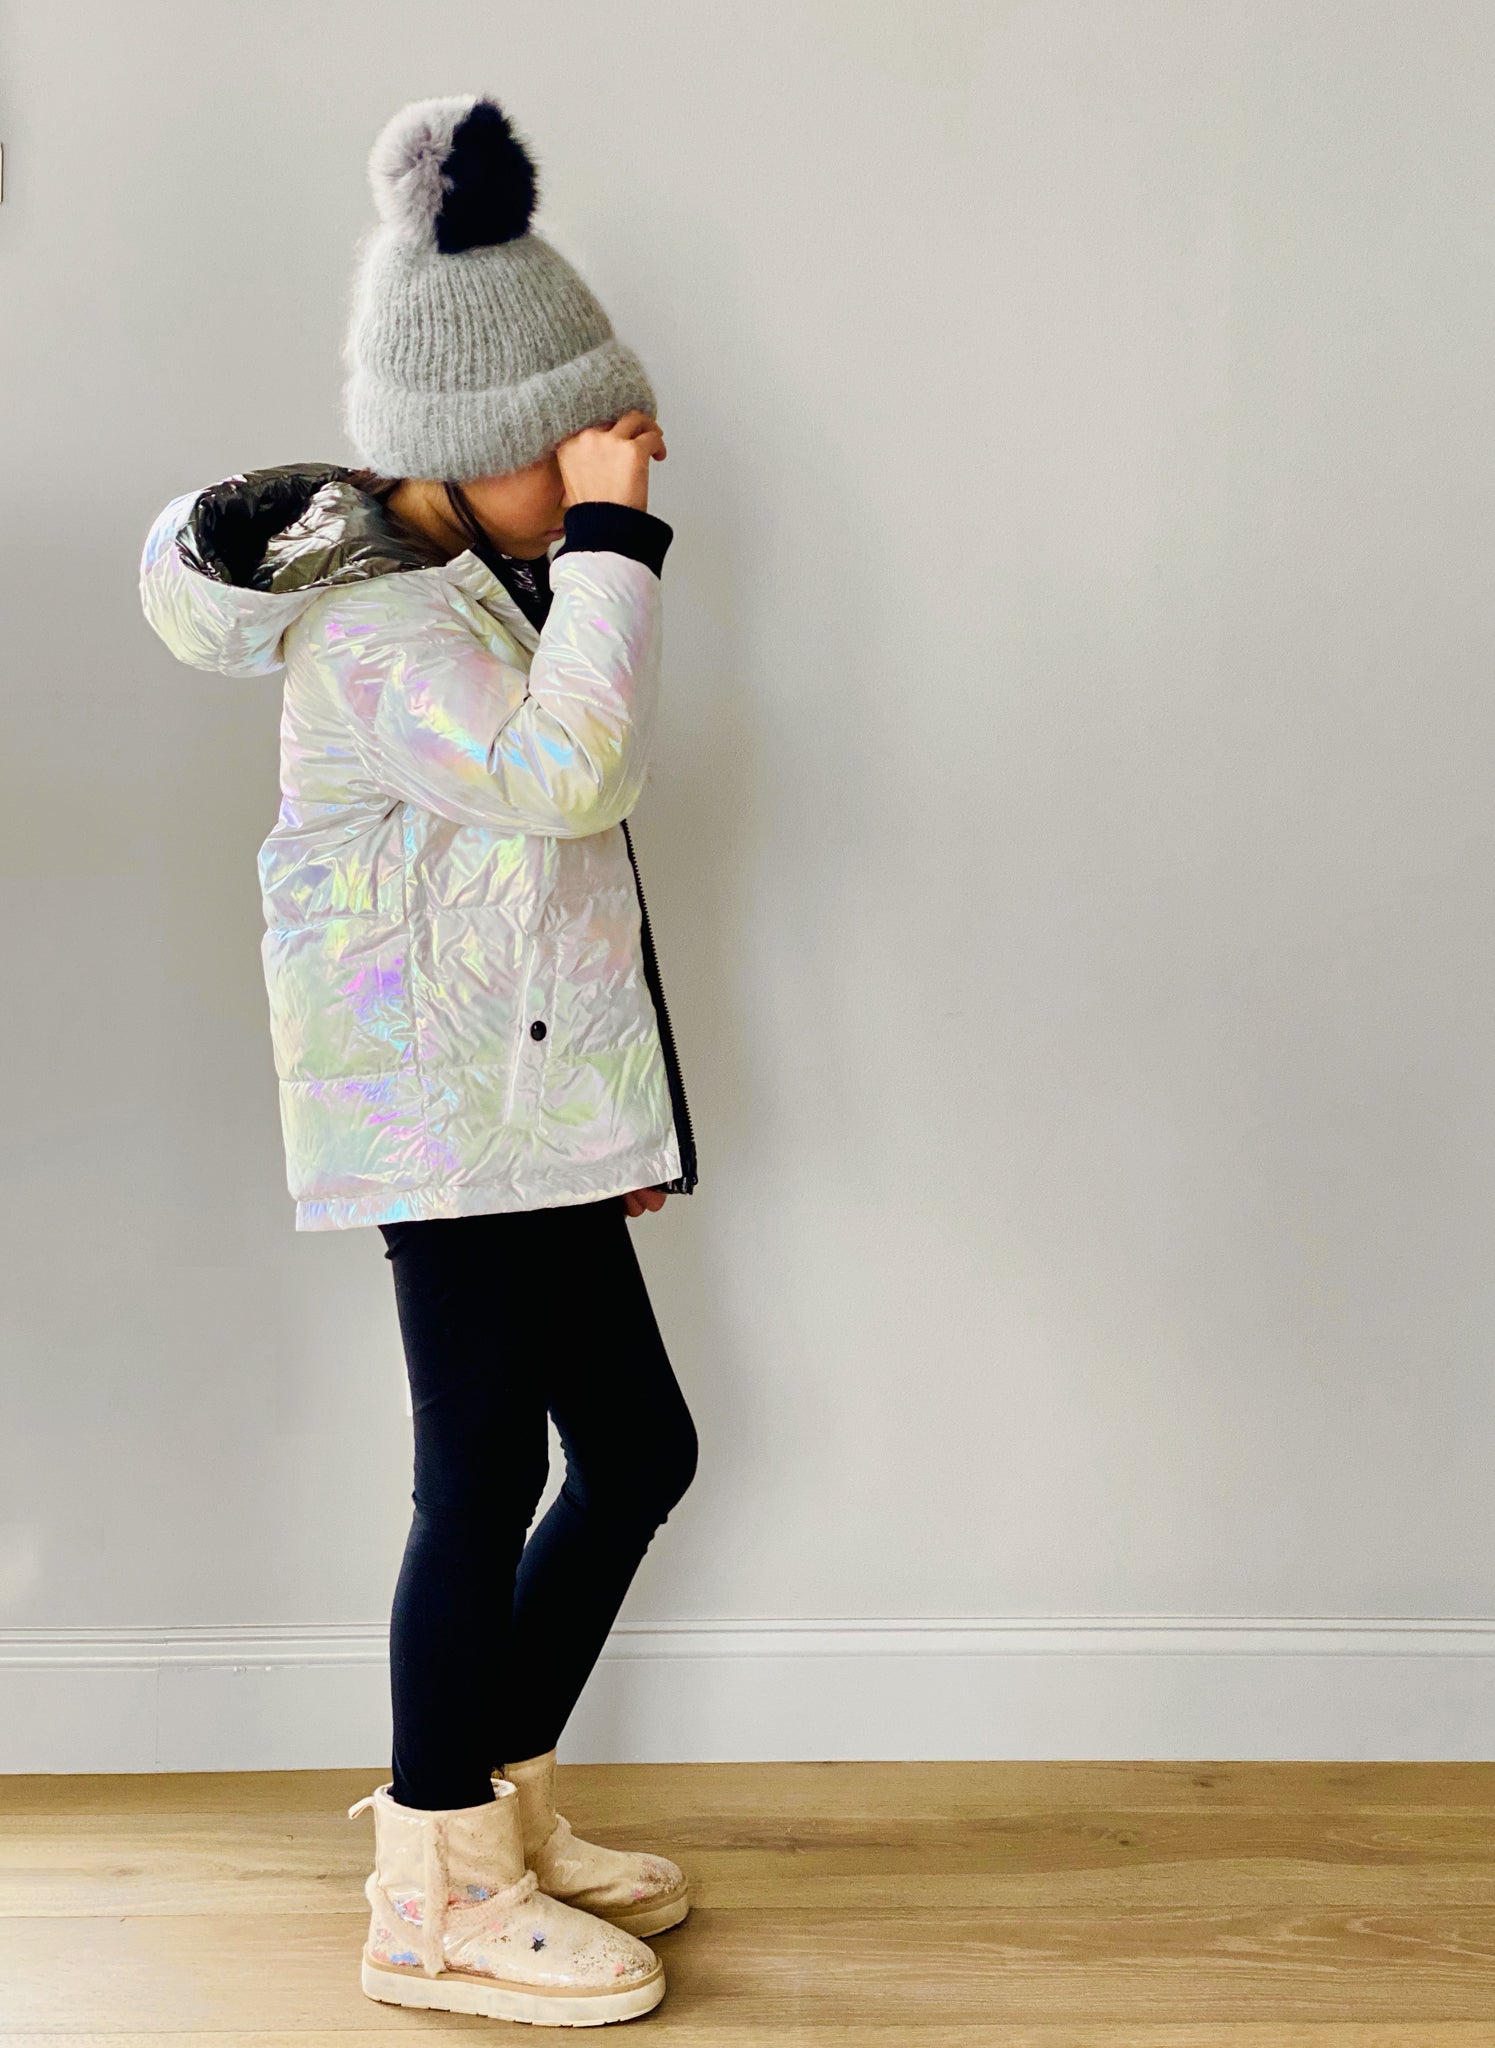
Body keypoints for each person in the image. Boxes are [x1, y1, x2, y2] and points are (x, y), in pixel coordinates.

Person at [140, 92, 701, 2028]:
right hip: (442, 1122)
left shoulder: (472, 589)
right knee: (479, 1480)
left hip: (521, 1104)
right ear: (471, 453)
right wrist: (616, 535)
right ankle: (429, 1896)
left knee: (636, 1452)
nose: (620, 458)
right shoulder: (378, 630)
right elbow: (570, 776)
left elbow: (540, 888)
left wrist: (617, 1116)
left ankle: (491, 1818)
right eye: (578, 437)